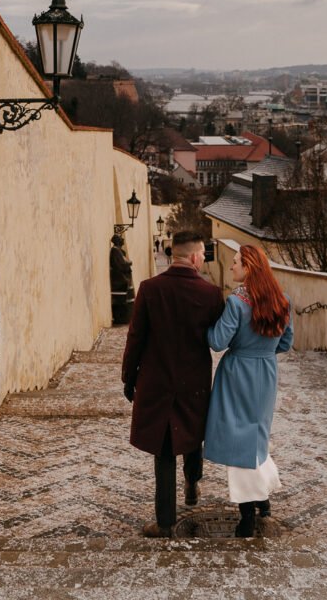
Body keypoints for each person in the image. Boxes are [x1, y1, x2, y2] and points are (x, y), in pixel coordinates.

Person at [121, 230, 225, 537]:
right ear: (193, 257)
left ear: (172, 254)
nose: (204, 259)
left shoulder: (150, 289)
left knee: (165, 452)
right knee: (192, 436)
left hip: (158, 380)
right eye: (203, 254)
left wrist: (129, 376)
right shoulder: (210, 294)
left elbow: (135, 337)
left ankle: (164, 522)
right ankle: (192, 483)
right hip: (194, 383)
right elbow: (219, 340)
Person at [203, 245, 293, 537]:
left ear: (249, 268)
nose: (231, 267)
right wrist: (263, 351)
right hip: (266, 373)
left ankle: (247, 516)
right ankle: (263, 498)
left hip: (238, 373)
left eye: (235, 262)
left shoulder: (236, 303)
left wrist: (203, 327)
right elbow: (285, 343)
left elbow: (217, 341)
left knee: (238, 440)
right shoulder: (281, 300)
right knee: (256, 435)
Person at [109, 234, 134, 325]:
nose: (123, 240)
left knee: (125, 300)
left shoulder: (118, 250)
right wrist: (130, 262)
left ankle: (124, 318)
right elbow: (123, 263)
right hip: (120, 280)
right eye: (121, 239)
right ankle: (121, 319)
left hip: (122, 280)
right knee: (121, 301)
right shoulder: (115, 250)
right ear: (118, 241)